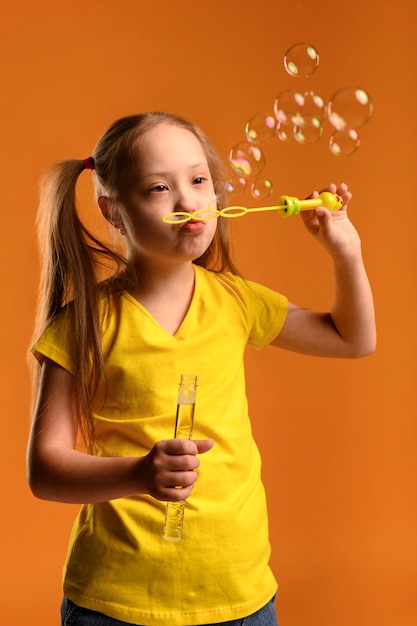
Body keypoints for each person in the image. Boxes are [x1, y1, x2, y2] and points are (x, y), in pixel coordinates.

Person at [27, 111, 376, 626]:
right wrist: (139, 472)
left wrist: (346, 252)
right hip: (115, 601)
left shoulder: (236, 300)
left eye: (198, 180)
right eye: (158, 188)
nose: (188, 201)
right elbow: (45, 469)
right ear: (113, 211)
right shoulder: (84, 322)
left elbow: (354, 340)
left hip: (238, 592)